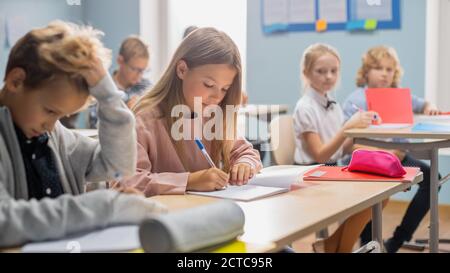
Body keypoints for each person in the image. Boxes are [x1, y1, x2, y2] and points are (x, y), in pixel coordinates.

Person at [0, 21, 165, 248]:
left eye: (60, 116)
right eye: (49, 111)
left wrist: (107, 94)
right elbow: (4, 222)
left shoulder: (55, 135)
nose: (51, 126)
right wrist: (102, 207)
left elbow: (117, 166)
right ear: (16, 81)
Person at [120, 27, 262, 196]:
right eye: (208, 85)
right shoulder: (144, 119)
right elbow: (127, 182)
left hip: (204, 212)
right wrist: (190, 181)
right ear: (182, 70)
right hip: (161, 217)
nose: (216, 97)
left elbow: (246, 152)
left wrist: (245, 165)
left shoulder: (211, 114)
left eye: (225, 89)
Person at [342, 45, 441, 253]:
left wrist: (429, 108)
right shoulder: (355, 100)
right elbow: (349, 143)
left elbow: (423, 104)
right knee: (372, 193)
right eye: (379, 68)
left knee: (432, 177)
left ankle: (396, 240)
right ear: (366, 71)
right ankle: (368, 245)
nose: (385, 74)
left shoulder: (398, 95)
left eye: (389, 69)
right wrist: (385, 153)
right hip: (366, 162)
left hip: (397, 158)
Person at [293, 43, 384, 252]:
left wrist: (358, 133)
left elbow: (338, 151)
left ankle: (332, 244)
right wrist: (346, 129)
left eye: (334, 71)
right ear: (306, 73)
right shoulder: (305, 107)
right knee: (371, 198)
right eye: (321, 71)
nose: (328, 77)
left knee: (382, 194)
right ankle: (337, 247)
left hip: (331, 168)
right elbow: (320, 153)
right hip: (310, 174)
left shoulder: (332, 102)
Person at [89, 36, 152, 128]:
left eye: (142, 71)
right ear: (120, 61)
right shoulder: (103, 89)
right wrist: (126, 112)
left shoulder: (146, 87)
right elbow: (95, 124)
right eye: (135, 69)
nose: (140, 76)